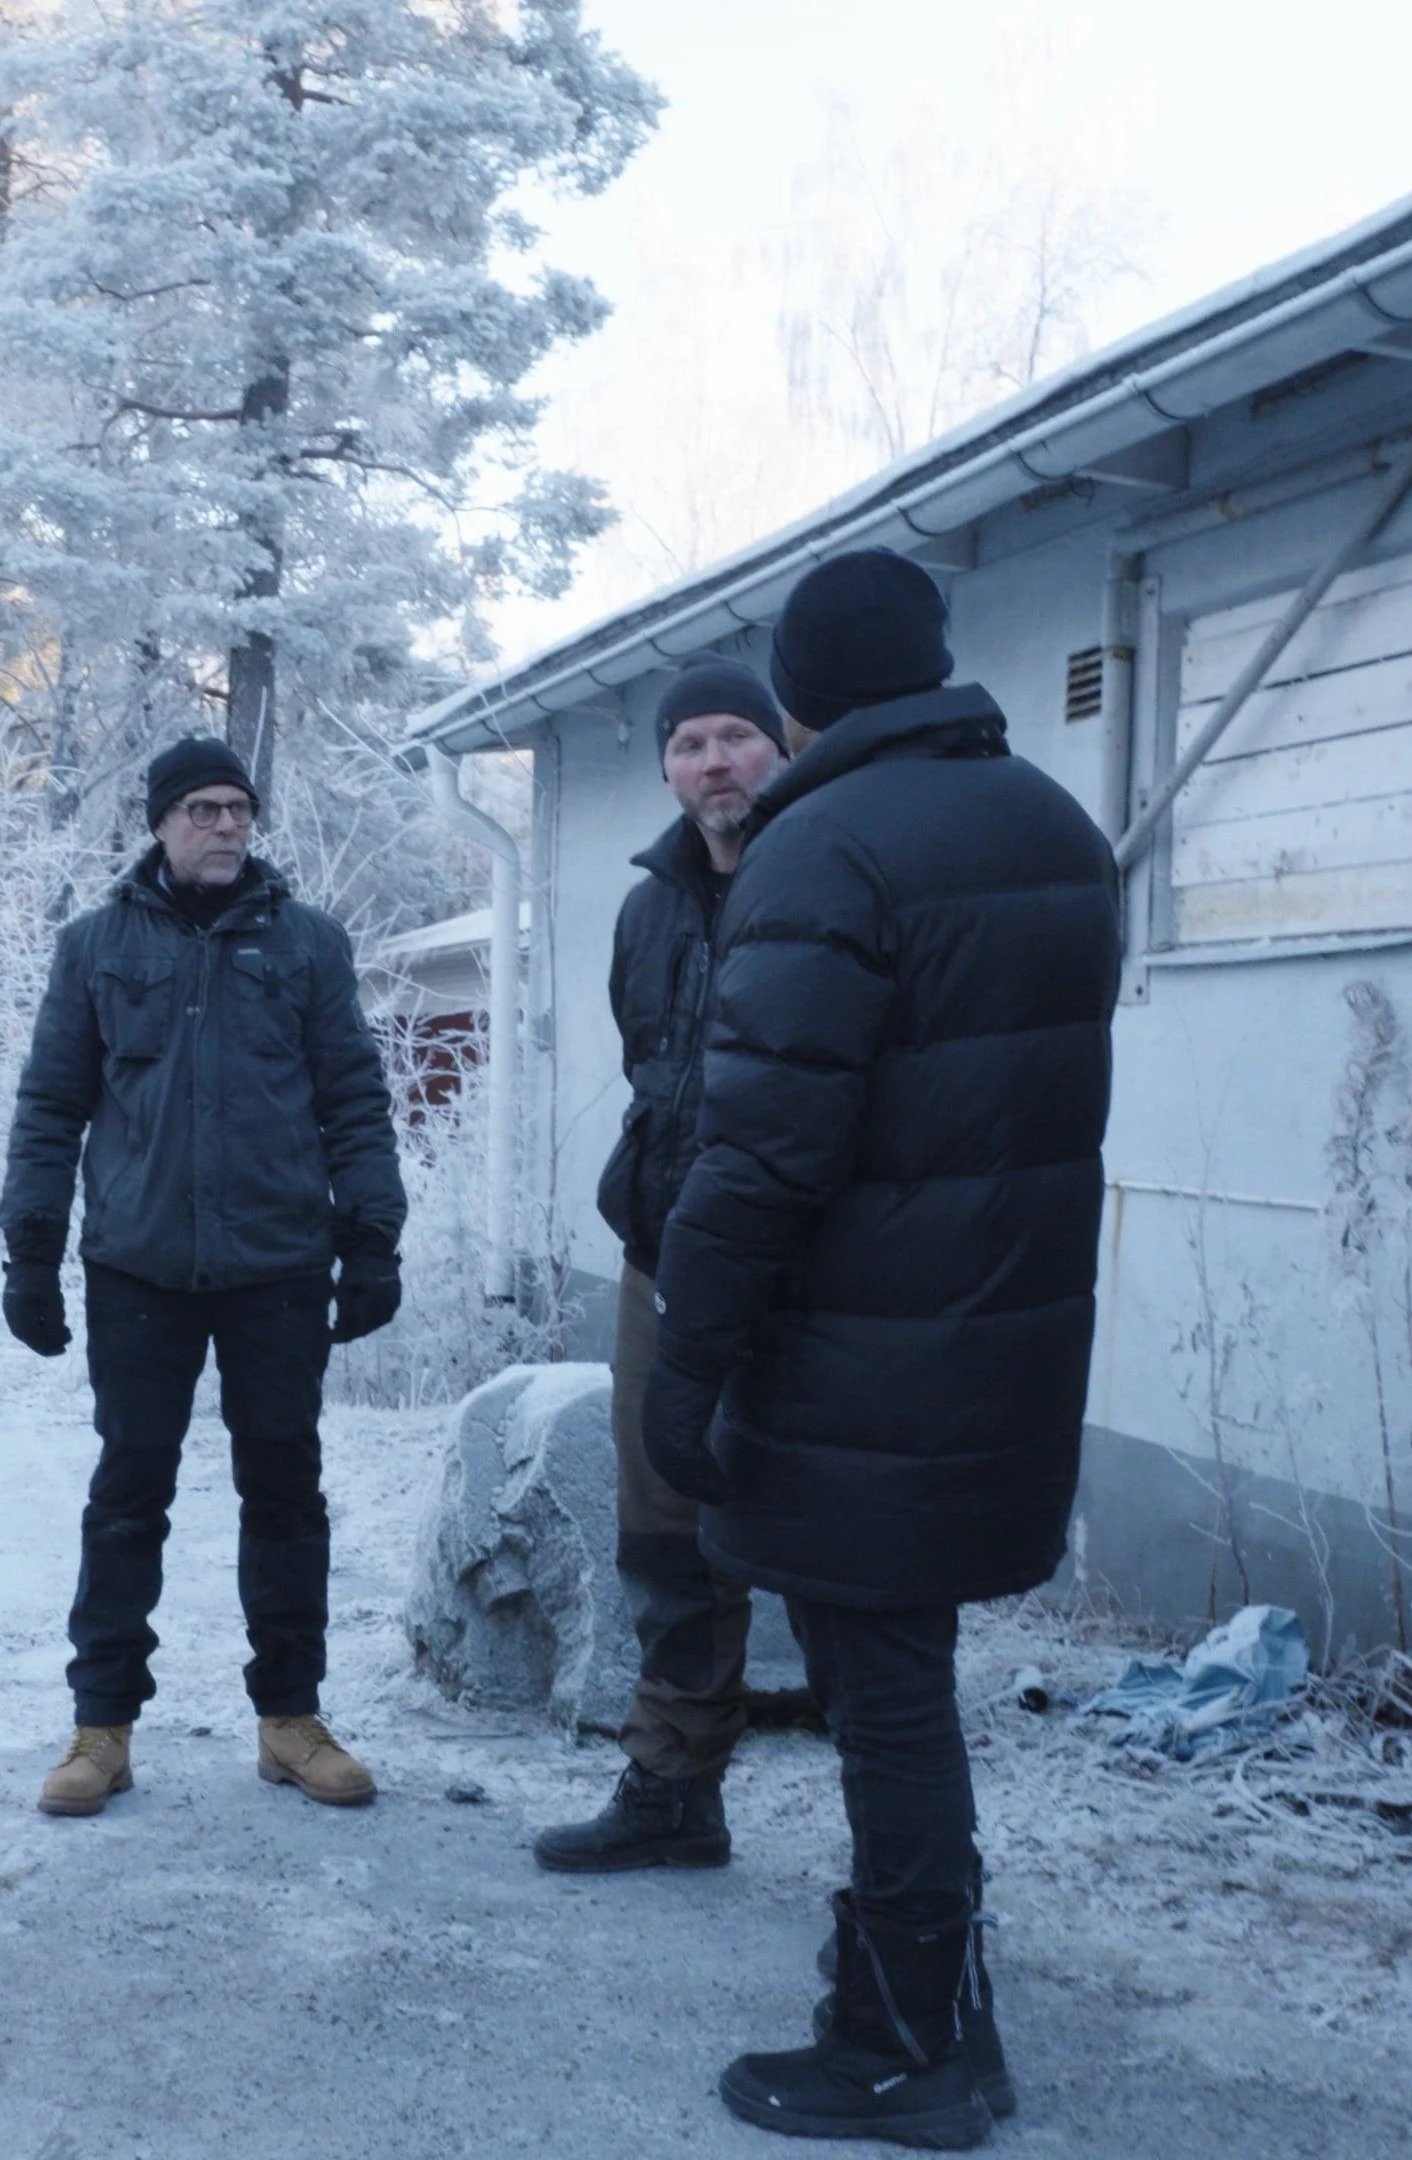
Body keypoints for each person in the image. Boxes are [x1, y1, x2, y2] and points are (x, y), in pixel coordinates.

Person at [641, 549, 1118, 2148]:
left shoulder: (823, 843)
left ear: (800, 697)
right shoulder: (1052, 823)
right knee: (903, 1676)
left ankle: (917, 2044)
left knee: (886, 1691)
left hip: (858, 1351)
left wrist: (691, 1359)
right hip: (1004, 1335)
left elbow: (763, 1146)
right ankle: (919, 2000)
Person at [0, 737, 405, 1815]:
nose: (225, 827)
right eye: (203, 811)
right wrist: (33, 1248)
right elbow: (49, 1106)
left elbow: (354, 1100)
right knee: (127, 1495)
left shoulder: (309, 946)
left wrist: (372, 1238)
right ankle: (101, 1731)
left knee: (284, 1492)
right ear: (161, 823)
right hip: (137, 1265)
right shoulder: (93, 948)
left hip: (276, 1261)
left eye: (239, 810)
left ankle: (290, 1720)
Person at [532, 658, 789, 1875]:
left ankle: (901, 1839)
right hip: (665, 1255)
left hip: (808, 1274)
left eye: (738, 735)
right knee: (664, 1527)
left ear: (779, 750)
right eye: (690, 743)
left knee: (830, 1532)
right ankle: (674, 1788)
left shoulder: (823, 874)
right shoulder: (650, 904)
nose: (715, 762)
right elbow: (657, 1077)